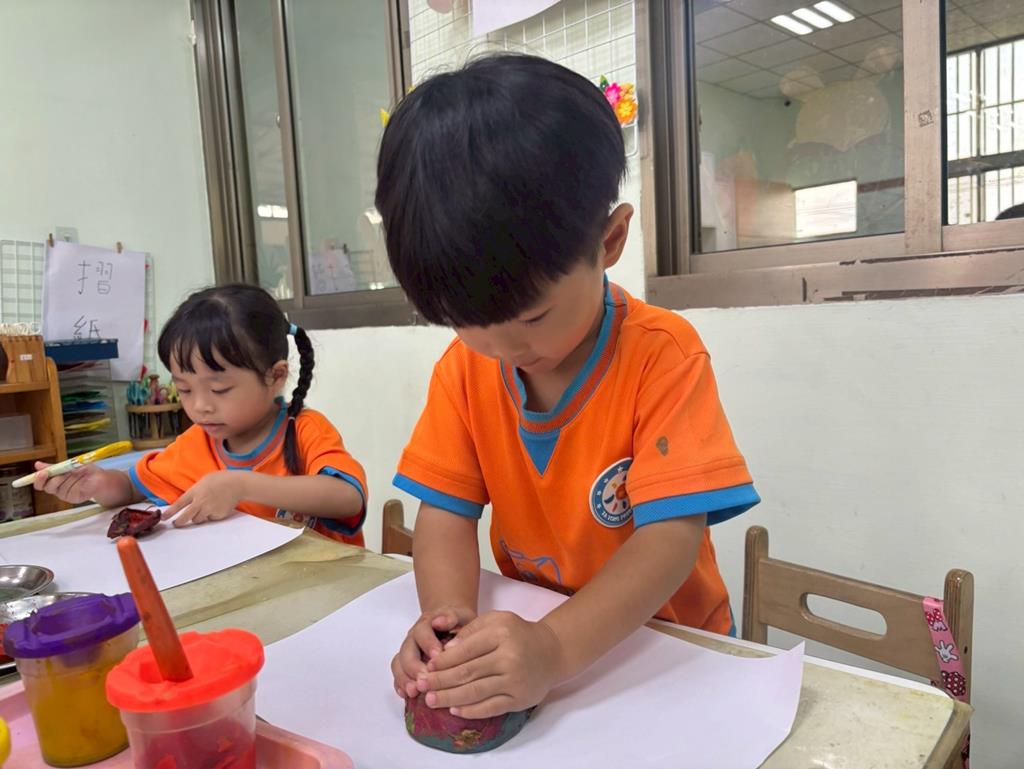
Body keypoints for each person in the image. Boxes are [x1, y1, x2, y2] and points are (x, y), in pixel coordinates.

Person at [376, 53, 760, 719]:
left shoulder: (662, 355)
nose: (503, 349)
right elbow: (444, 512)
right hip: (537, 640)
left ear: (609, 241)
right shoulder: (463, 369)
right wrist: (447, 619)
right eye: (469, 324)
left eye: (531, 318)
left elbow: (670, 539)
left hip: (671, 652)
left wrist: (554, 648)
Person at [34, 283, 367, 544]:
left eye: (219, 389)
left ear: (275, 376)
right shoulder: (197, 442)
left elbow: (348, 498)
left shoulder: (304, 430)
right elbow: (131, 486)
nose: (200, 406)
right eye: (185, 389)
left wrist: (242, 485)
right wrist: (97, 483)